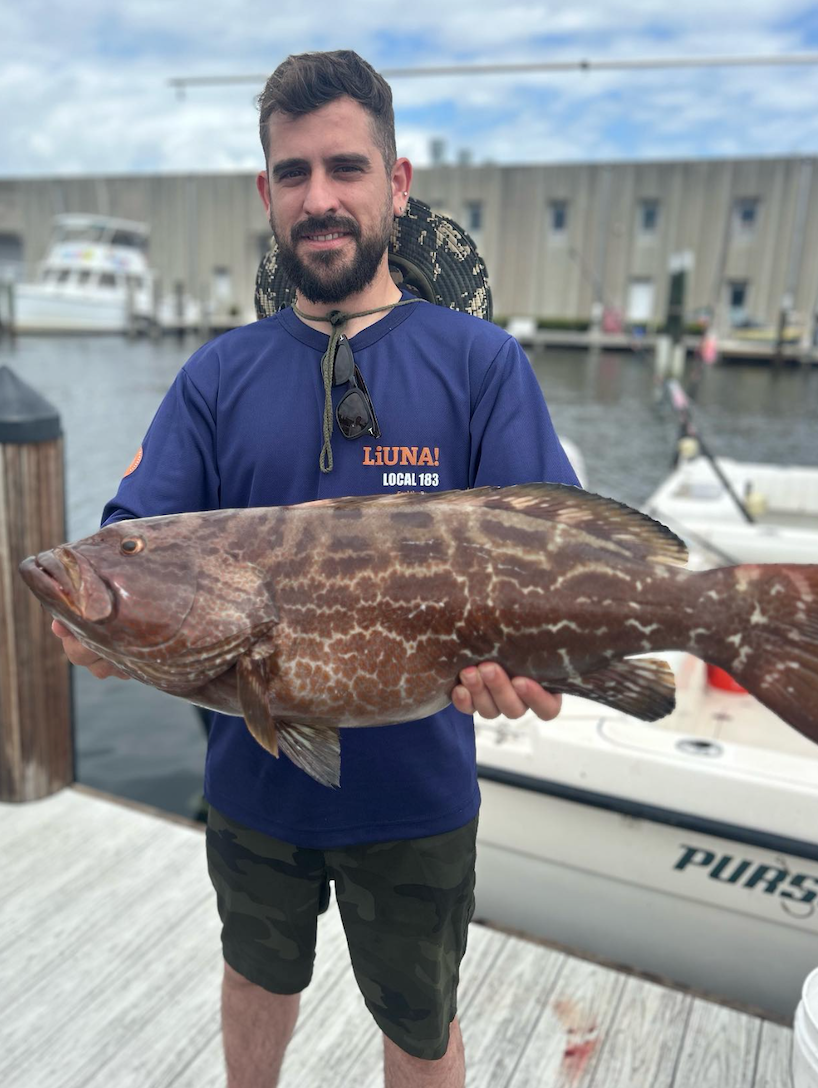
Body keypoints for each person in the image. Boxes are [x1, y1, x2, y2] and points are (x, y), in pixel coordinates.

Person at [52, 50, 580, 1088]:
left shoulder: (479, 364)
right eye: (293, 173)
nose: (320, 197)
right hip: (253, 779)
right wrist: (105, 633)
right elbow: (135, 544)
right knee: (255, 978)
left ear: (397, 181)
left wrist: (534, 664)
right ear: (266, 192)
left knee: (420, 1024)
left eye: (345, 168)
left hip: (418, 793)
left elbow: (547, 555)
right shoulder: (215, 375)